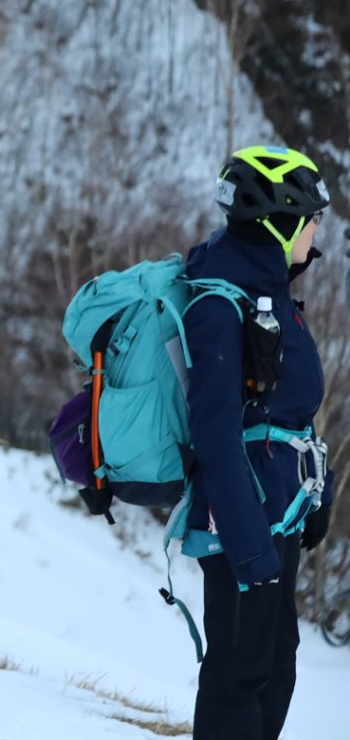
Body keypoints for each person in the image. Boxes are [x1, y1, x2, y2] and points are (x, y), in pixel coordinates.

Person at [183, 145, 334, 740]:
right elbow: (215, 434)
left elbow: (290, 405)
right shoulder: (221, 302)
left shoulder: (267, 289)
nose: (319, 228)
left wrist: (315, 500)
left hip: (279, 512)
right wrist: (249, 552)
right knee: (237, 674)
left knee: (275, 665)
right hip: (242, 523)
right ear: (281, 221)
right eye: (312, 217)